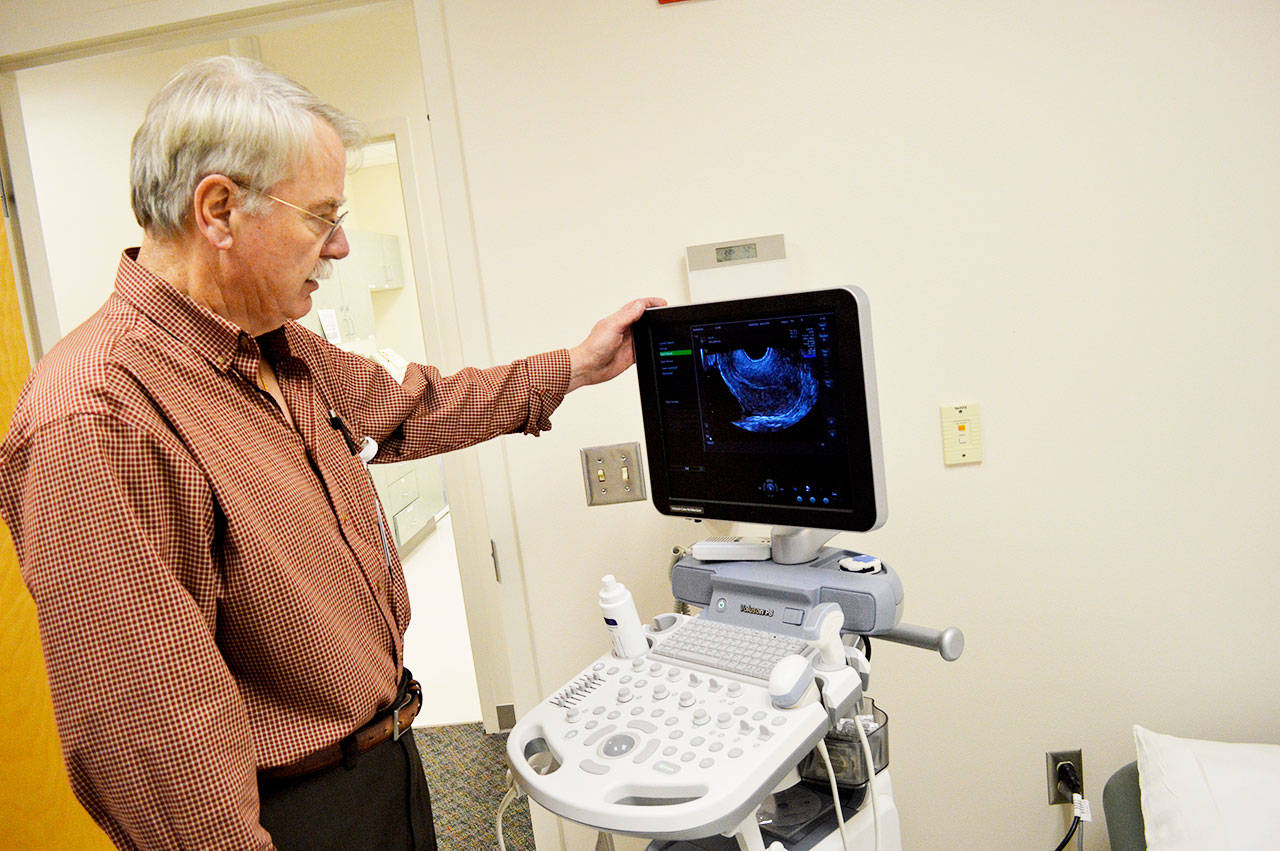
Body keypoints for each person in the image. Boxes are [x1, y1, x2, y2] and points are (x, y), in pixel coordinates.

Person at [0, 55, 663, 849]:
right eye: (321, 216)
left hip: (385, 762)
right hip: (288, 817)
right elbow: (152, 736)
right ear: (218, 210)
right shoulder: (96, 413)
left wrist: (575, 366)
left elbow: (419, 407)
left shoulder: (280, 350)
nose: (342, 245)